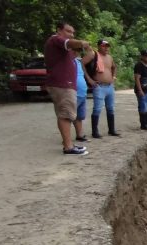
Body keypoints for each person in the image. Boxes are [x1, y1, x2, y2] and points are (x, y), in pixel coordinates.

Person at [44, 22, 91, 155]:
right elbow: (70, 43)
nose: (71, 34)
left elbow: (82, 56)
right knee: (65, 115)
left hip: (64, 84)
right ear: (59, 30)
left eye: (73, 32)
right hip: (62, 84)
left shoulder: (63, 49)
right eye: (68, 31)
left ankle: (68, 144)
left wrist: (85, 49)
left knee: (66, 114)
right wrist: (82, 43)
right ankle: (68, 147)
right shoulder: (56, 39)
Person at [89, 39, 120, 138]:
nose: (106, 48)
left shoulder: (109, 57)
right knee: (97, 109)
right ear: (98, 46)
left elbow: (114, 67)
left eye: (107, 46)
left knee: (110, 109)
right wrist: (89, 79)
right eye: (103, 46)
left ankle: (111, 130)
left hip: (110, 86)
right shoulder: (94, 55)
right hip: (99, 86)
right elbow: (82, 64)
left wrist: (114, 76)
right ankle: (95, 132)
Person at [73, 48, 95, 142]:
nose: (77, 51)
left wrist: (84, 46)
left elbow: (91, 53)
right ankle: (66, 140)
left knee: (80, 116)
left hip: (82, 93)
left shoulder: (78, 61)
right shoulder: (67, 61)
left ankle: (80, 135)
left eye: (77, 50)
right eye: (75, 49)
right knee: (69, 116)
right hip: (74, 93)